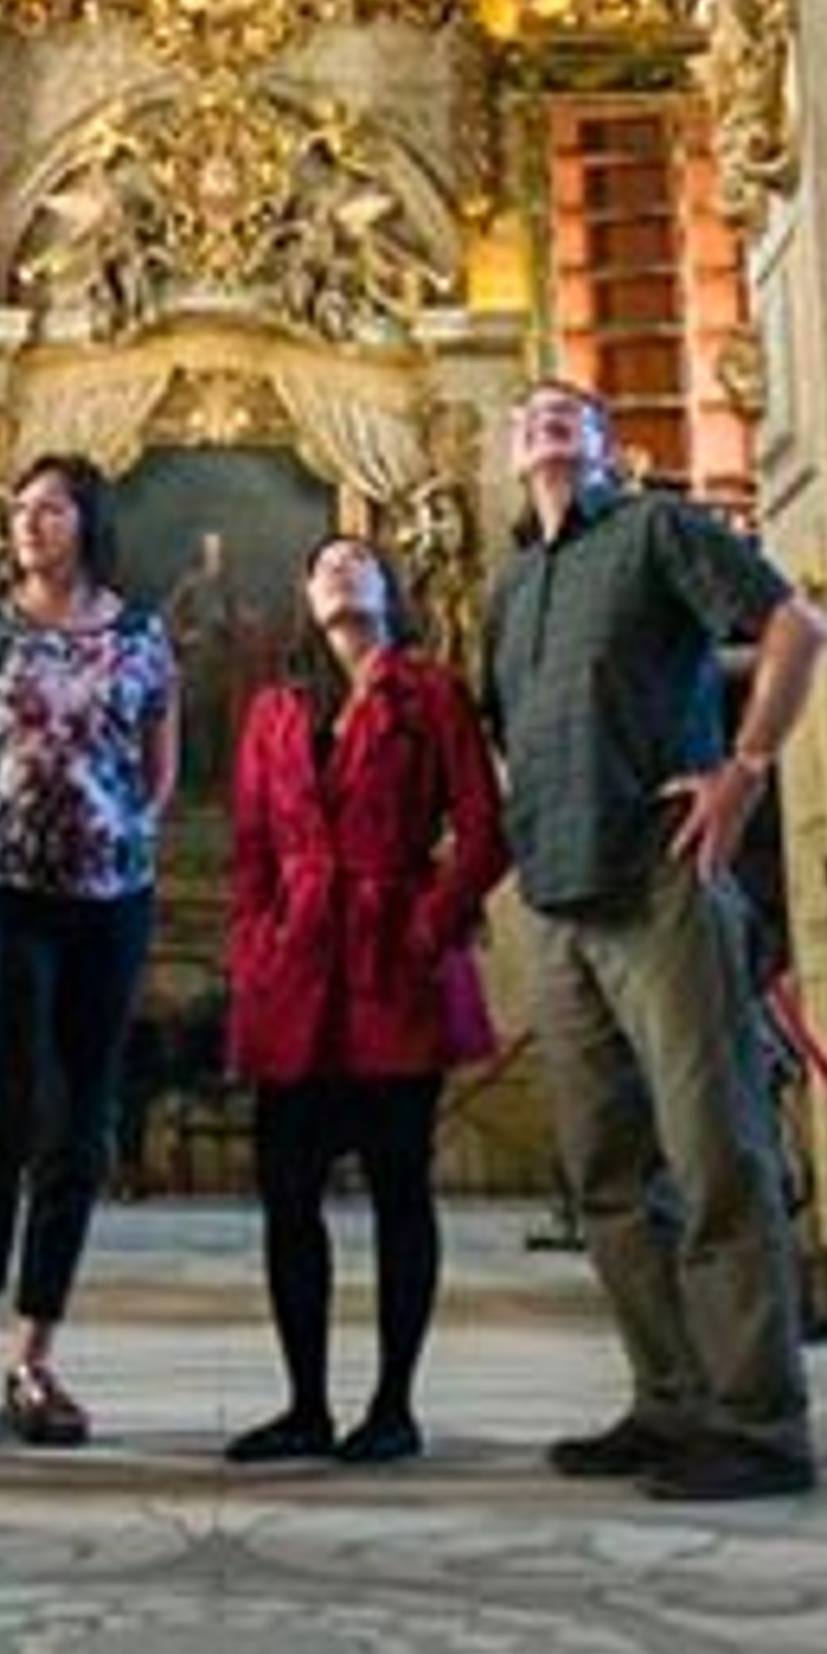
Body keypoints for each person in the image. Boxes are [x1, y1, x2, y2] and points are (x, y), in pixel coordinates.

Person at [486, 375, 827, 1503]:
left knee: (715, 1153)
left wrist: (747, 768)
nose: (544, 419)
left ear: (605, 445)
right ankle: (670, 1397)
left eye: (570, 411)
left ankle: (758, 1420)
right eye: (528, 413)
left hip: (659, 880)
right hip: (557, 898)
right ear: (507, 453)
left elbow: (797, 623)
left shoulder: (655, 529)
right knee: (607, 1171)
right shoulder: (511, 586)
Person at [0, 450, 176, 1450]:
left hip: (110, 903)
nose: (30, 524)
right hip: (7, 897)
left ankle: (37, 1359)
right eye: (20, 509)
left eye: (51, 509)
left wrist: (122, 840)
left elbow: (160, 759)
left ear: (87, 523)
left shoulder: (142, 631)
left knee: (81, 1127)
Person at [221, 533, 509, 1467]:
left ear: (390, 588)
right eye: (322, 565)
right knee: (287, 1197)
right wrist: (254, 946)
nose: (340, 570)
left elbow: (482, 831)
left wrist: (430, 925)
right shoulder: (273, 709)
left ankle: (393, 1404)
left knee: (399, 1190)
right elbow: (253, 850)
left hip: (394, 965)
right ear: (305, 596)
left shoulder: (431, 694)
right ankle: (303, 1403)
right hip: (295, 968)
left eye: (357, 559)